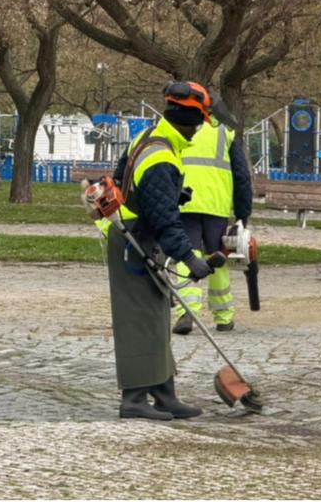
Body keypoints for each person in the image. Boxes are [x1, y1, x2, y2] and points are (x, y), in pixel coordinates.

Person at [106, 80, 215, 421]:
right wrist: (189, 258)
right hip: (133, 241)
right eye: (199, 122)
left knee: (157, 317)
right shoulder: (162, 157)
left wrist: (169, 194)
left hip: (136, 234)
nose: (198, 130)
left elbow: (124, 177)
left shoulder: (150, 137)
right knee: (140, 320)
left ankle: (164, 395)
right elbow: (166, 221)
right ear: (188, 119)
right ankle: (134, 400)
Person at [170, 96, 253, 335]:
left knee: (187, 255)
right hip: (216, 206)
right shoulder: (225, 134)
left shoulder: (177, 129)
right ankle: (224, 316)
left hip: (184, 202)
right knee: (218, 257)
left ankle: (187, 311)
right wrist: (242, 214)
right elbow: (241, 177)